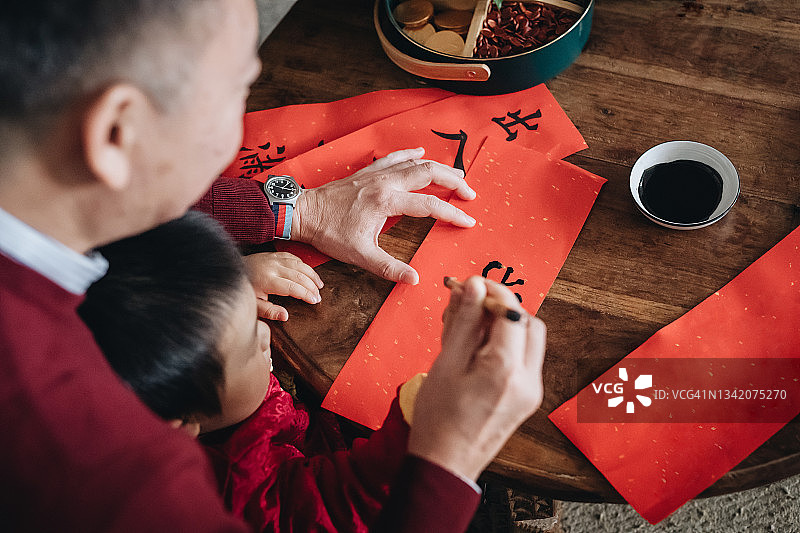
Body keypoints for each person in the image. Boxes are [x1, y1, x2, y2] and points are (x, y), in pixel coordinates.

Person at [0, 0, 546, 530]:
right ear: (118, 131)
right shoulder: (105, 470)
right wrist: (448, 457)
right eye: (236, 92)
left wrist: (296, 210)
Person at [79, 211, 413, 532]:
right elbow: (341, 505)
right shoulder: (240, 488)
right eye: (250, 343)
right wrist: (415, 424)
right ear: (181, 426)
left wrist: (231, 284)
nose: (267, 335)